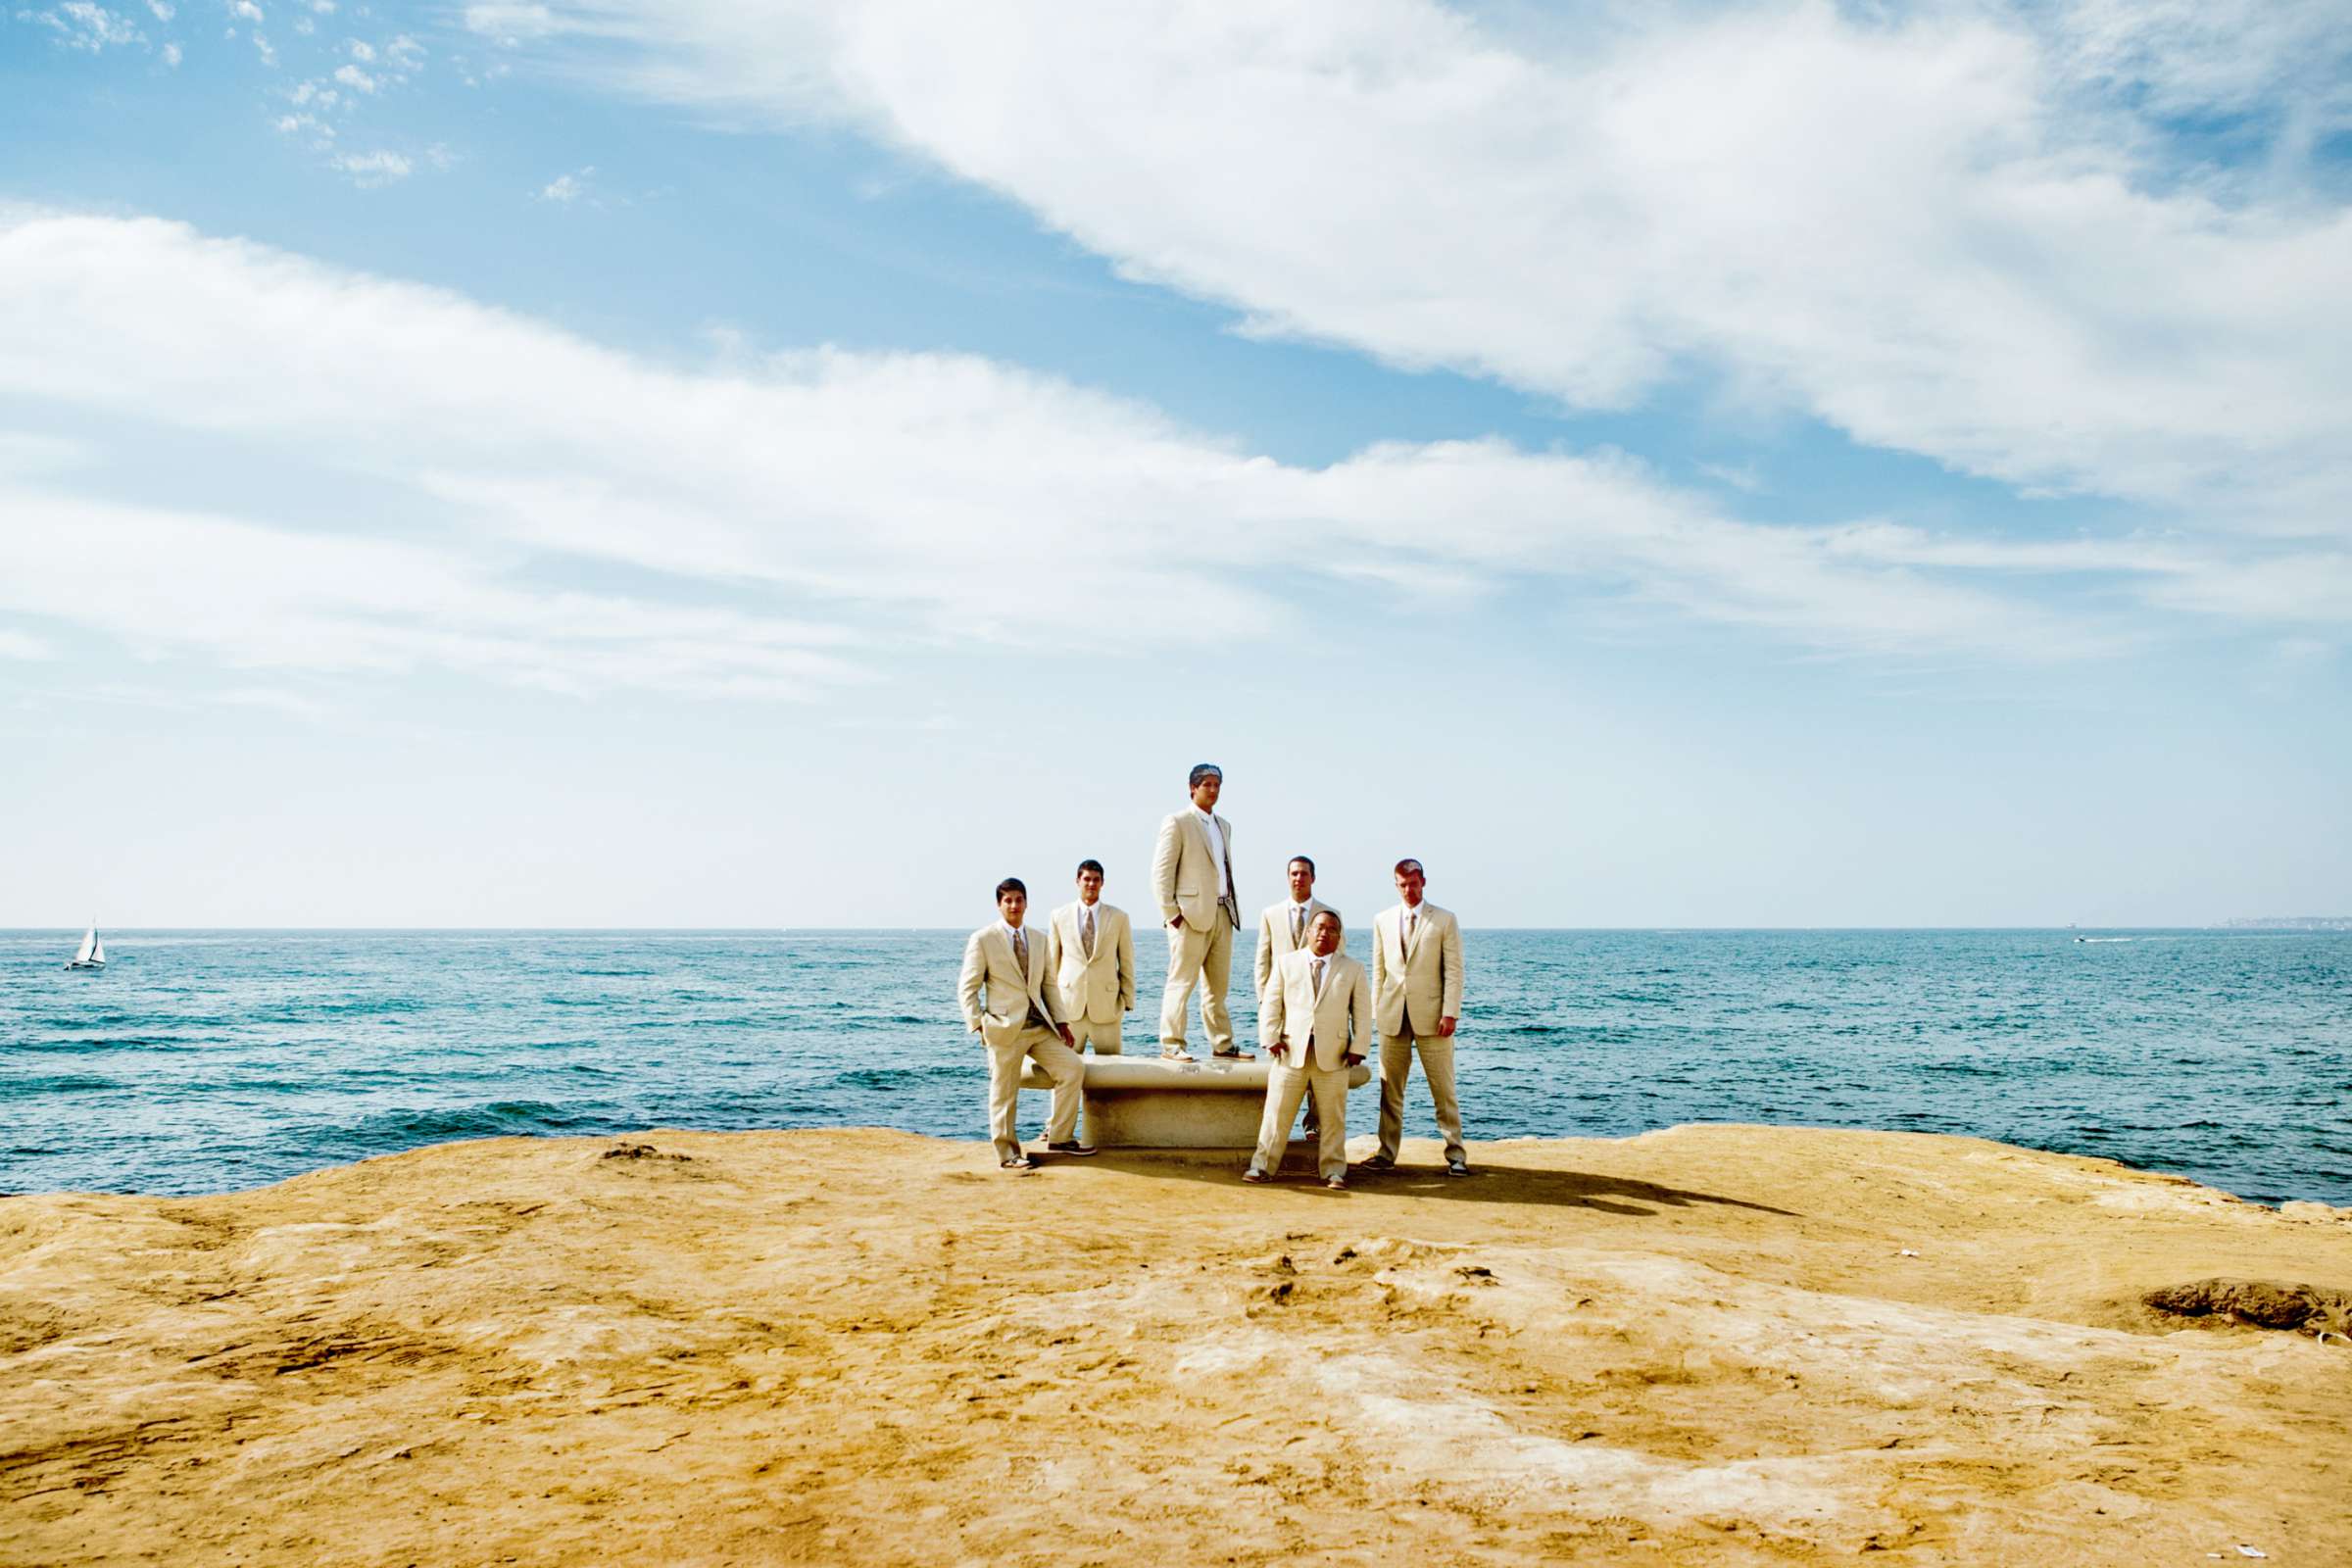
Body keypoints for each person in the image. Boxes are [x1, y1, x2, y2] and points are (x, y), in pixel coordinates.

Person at [957, 877, 1094, 1169]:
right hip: (1004, 1029)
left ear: (1026, 903)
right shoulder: (983, 939)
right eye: (1007, 900)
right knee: (1004, 1092)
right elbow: (967, 988)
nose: (1014, 905)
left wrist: (1062, 1022)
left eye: (1019, 899)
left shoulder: (1039, 938)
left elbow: (1048, 985)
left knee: (1072, 1068)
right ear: (999, 904)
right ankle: (1008, 1155)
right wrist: (980, 1025)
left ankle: (1059, 1137)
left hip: (1039, 1027)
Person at [1245, 910, 1370, 1190]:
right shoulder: (1286, 963)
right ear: (1309, 931)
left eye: (1332, 929)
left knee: (1333, 1118)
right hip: (1290, 1051)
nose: (1325, 933)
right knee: (1276, 1114)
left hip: (1334, 1055)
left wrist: (1359, 1047)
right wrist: (1270, 1037)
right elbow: (1271, 1004)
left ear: (1340, 936)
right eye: (1320, 928)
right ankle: (1262, 1167)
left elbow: (1362, 1013)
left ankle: (1333, 1171)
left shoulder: (1353, 969)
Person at [1365, 858, 1468, 1176]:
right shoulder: (1382, 920)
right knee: (1389, 1091)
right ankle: (1386, 1153)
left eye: (1413, 883)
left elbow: (1453, 970)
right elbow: (1379, 970)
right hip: (1392, 1016)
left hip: (1433, 1017)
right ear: (1396, 885)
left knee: (1443, 1089)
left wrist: (1450, 1012)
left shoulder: (1444, 920)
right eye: (1402, 884)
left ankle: (1456, 1155)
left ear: (1423, 881)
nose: (1408, 890)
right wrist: (1375, 1013)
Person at [1151, 762, 1245, 1059]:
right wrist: (1172, 914)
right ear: (1192, 788)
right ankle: (1172, 1044)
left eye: (1217, 785)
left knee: (1217, 989)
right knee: (1181, 982)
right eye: (1207, 784)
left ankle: (1222, 1044)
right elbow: (1160, 873)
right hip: (1189, 916)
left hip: (1222, 912)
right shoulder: (1177, 822)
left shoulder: (1223, 825)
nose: (1213, 790)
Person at [1256, 854, 1343, 1133]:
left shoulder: (1330, 914)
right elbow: (1263, 960)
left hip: (1318, 1004)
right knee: (1283, 1066)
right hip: (1282, 1003)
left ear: (1313, 878)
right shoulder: (1271, 914)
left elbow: (1338, 961)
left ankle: (1314, 1125)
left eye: (1304, 874)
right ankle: (1276, 1128)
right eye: (1294, 873)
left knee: (1319, 1061)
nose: (1298, 878)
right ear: (1288, 877)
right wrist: (1264, 1000)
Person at [1046, 858, 1134, 1055]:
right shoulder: (1058, 915)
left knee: (1112, 1073)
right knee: (1065, 1069)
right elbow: (1052, 963)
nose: (1091, 884)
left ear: (1102, 883)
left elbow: (1126, 961)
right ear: (1077, 881)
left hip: (1107, 1007)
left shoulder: (1119, 917)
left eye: (1096, 879)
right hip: (1069, 1006)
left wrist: (1128, 999)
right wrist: (1050, 1004)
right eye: (1086, 879)